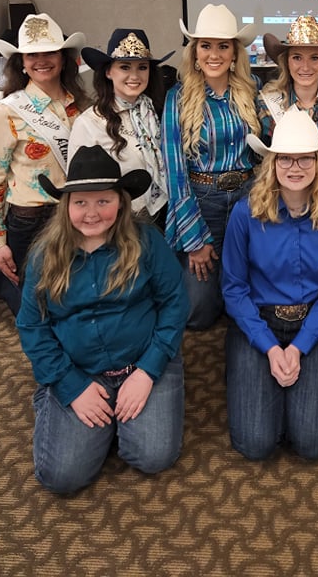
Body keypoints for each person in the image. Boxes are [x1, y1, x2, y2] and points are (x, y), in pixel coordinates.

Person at [16, 146, 189, 494]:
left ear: (121, 202)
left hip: (142, 361)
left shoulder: (147, 241)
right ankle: (64, 403)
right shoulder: (44, 254)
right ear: (66, 207)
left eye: (103, 201)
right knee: (62, 477)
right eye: (80, 202)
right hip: (79, 369)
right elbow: (32, 326)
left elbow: (175, 304)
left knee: (152, 455)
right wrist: (70, 386)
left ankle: (110, 421)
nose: (92, 213)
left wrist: (147, 372)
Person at [222, 107, 318, 460]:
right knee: (255, 444)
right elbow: (234, 288)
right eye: (285, 160)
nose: (295, 168)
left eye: (305, 159)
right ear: (272, 163)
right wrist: (269, 346)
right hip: (259, 322)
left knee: (313, 444)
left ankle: (292, 396)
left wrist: (297, 348)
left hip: (316, 322)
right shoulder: (245, 212)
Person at [0, 13, 88, 316]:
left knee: (76, 305)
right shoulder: (7, 113)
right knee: (40, 316)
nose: (41, 60)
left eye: (50, 51)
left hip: (75, 214)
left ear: (63, 58)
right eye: (32, 54)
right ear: (21, 62)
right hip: (31, 219)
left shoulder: (81, 104)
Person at [162, 4, 260, 330]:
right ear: (195, 52)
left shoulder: (251, 89)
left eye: (223, 46)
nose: (214, 54)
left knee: (248, 304)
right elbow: (176, 175)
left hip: (247, 199)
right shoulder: (176, 98)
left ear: (235, 53)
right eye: (205, 45)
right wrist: (194, 240)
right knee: (198, 314)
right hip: (202, 202)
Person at [68, 29, 173, 224]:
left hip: (163, 214)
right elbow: (79, 188)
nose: (134, 75)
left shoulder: (157, 112)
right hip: (119, 222)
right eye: (125, 67)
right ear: (108, 71)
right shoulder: (90, 123)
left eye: (142, 67)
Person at [259, 15, 318, 192]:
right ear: (286, 62)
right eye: (297, 57)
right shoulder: (266, 105)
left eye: (314, 58)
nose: (305, 67)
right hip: (285, 202)